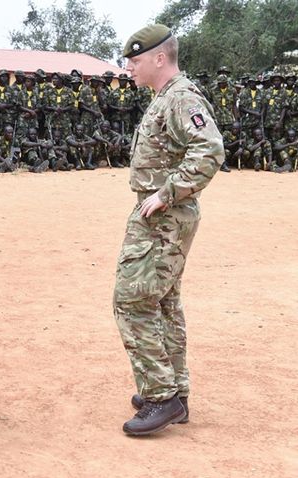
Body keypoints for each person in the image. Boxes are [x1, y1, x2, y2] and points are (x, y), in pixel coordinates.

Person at [114, 24, 224, 436]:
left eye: (136, 60)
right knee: (163, 302)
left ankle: (161, 396)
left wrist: (167, 192)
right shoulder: (166, 97)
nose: (129, 67)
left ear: (160, 58)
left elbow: (209, 148)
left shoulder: (179, 97)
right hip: (162, 217)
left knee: (133, 301)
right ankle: (174, 393)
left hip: (163, 218)